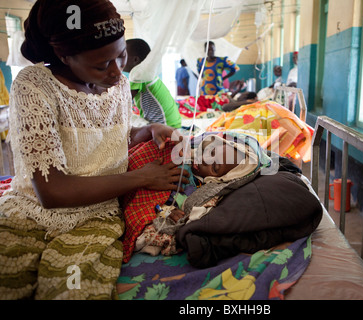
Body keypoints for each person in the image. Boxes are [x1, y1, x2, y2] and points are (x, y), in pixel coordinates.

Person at [0, 0, 189, 300]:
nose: (116, 72)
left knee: (72, 290)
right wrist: (141, 178)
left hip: (96, 216)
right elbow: (51, 192)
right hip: (32, 212)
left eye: (122, 56)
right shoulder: (35, 87)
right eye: (102, 65)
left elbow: (111, 137)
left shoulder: (119, 86)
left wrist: (147, 131)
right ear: (64, 56)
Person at [122, 132, 270, 258]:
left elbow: (160, 205)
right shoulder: (182, 155)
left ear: (220, 179)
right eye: (212, 152)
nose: (205, 159)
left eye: (215, 167)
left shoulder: (197, 191)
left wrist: (165, 211)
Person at [123, 38, 182, 128]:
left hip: (165, 127)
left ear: (135, 60)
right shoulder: (147, 74)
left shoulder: (138, 74)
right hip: (173, 123)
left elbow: (124, 101)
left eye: (123, 55)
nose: (119, 59)